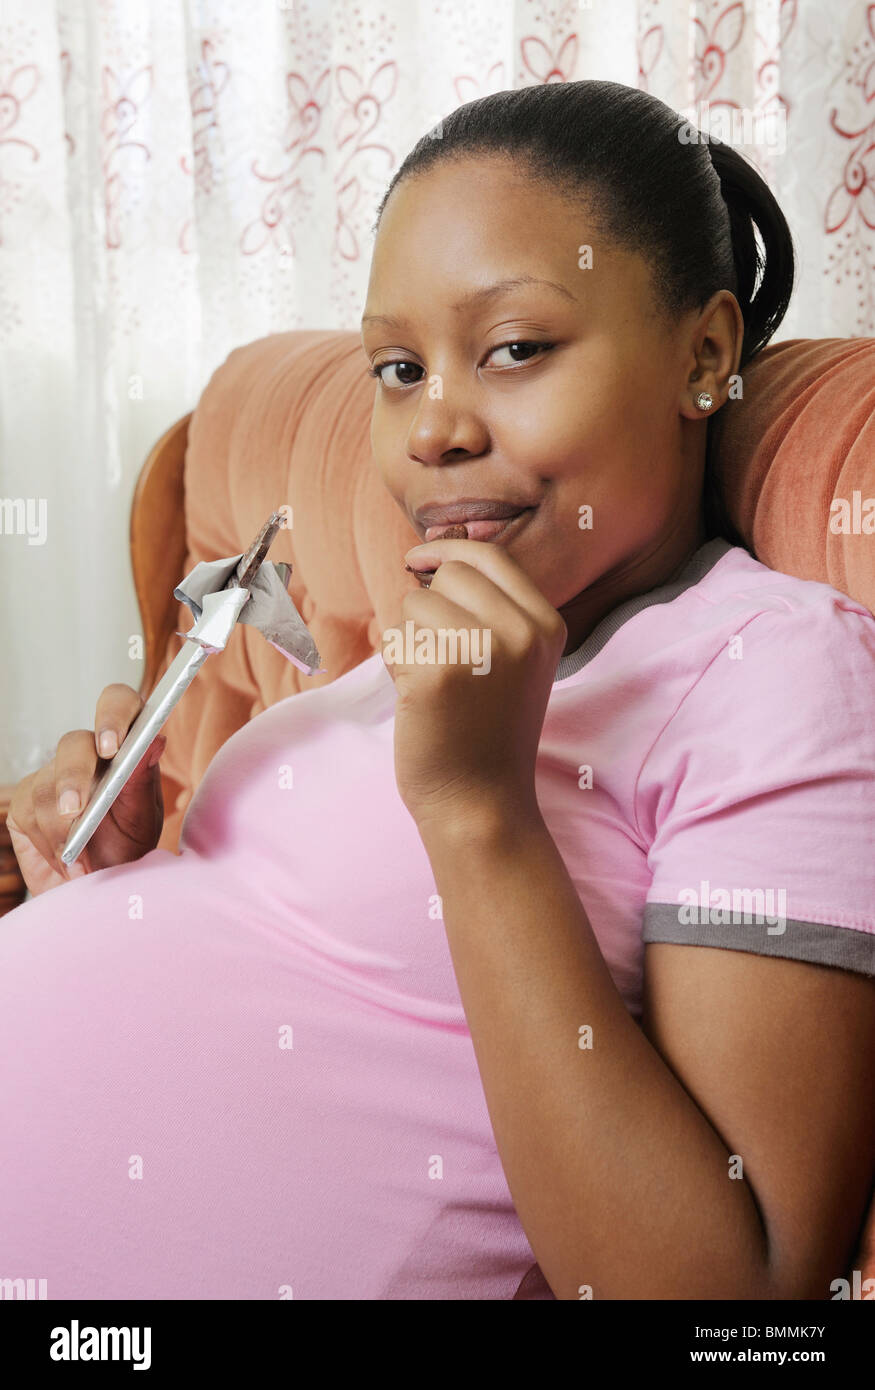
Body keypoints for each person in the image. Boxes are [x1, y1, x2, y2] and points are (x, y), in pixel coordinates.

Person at [4, 79, 875, 1301]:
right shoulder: (413, 654)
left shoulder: (774, 669)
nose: (432, 428)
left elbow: (727, 1302)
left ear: (704, 355)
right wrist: (115, 865)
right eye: (398, 368)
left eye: (514, 347)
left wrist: (479, 812)